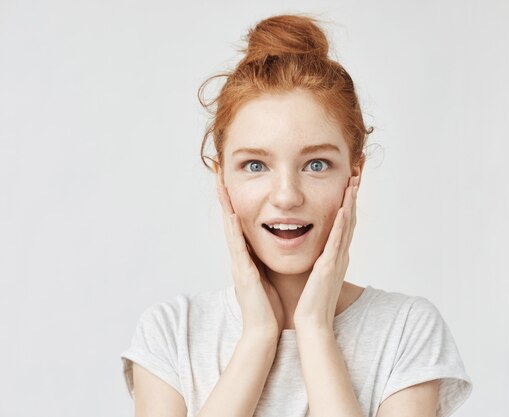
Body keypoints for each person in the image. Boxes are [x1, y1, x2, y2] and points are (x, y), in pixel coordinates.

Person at [120, 13, 473, 417]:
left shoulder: (406, 330)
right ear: (222, 179)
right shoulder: (171, 334)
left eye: (316, 164)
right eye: (255, 165)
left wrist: (316, 330)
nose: (286, 196)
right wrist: (258, 336)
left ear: (353, 174)